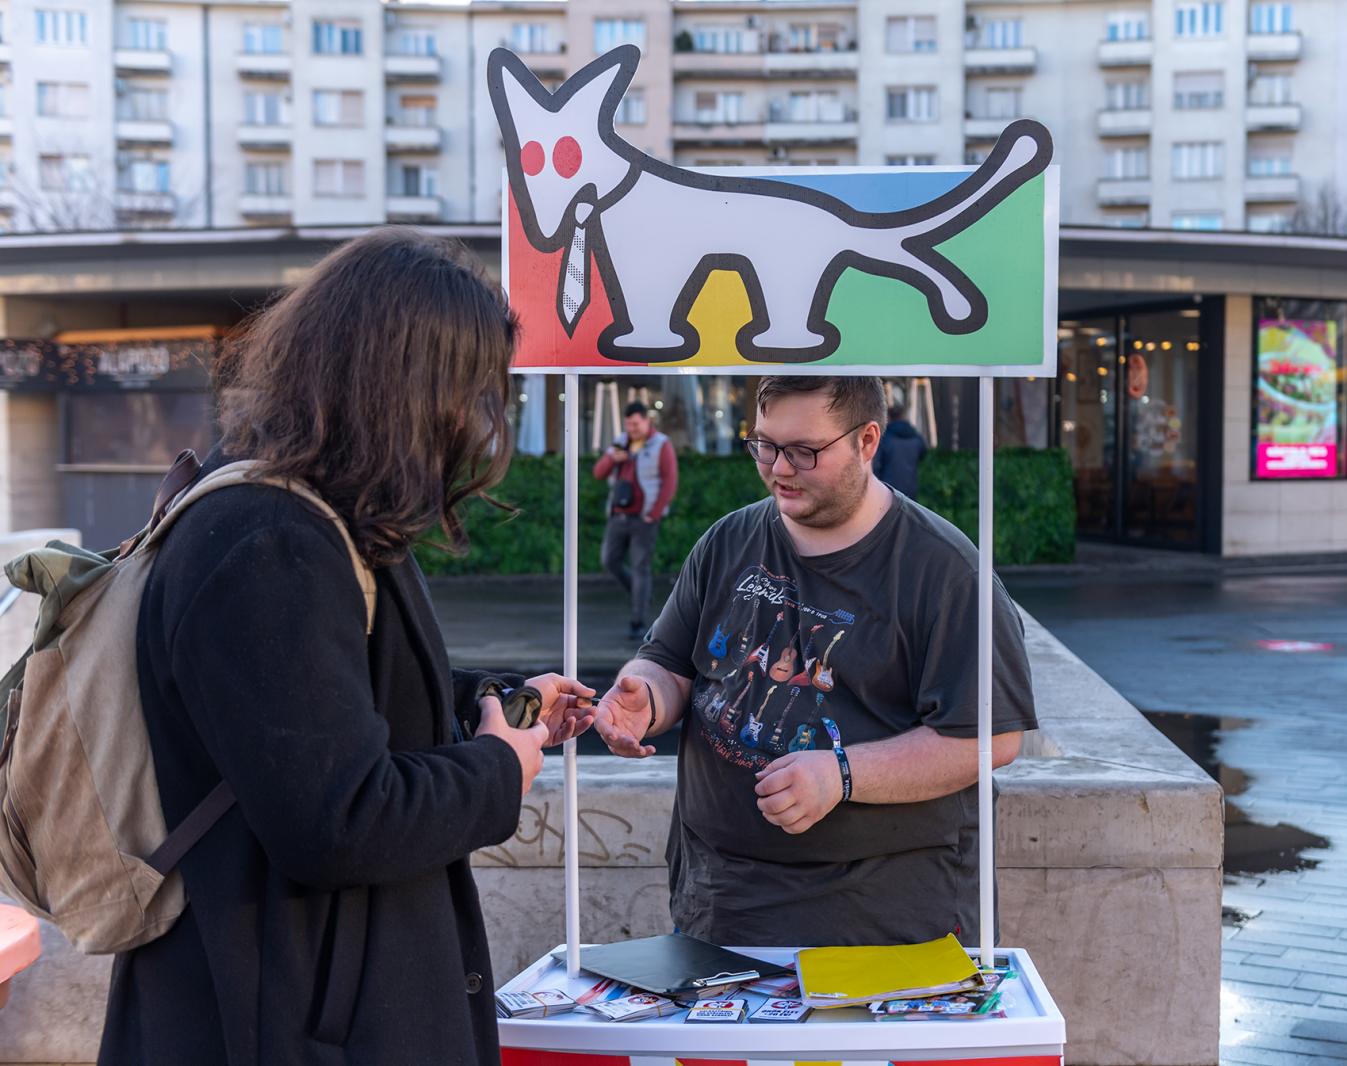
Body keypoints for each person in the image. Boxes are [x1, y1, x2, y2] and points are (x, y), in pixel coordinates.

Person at [100, 228, 595, 1066]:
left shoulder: (310, 512)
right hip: (276, 1017)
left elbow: (334, 699)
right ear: (404, 386)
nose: (477, 424)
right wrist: (498, 767)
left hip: (304, 1000)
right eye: (470, 392)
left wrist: (499, 703)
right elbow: (339, 821)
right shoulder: (264, 540)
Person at [580, 376, 1037, 947]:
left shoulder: (947, 574)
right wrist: (643, 700)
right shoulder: (727, 540)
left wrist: (841, 774)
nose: (779, 469)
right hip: (720, 898)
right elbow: (670, 663)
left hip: (883, 916)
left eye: (804, 451)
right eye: (765, 446)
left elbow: (990, 738)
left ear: (867, 441)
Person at [593, 401, 678, 640]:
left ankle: (637, 620)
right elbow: (599, 472)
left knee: (641, 567)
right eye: (628, 424)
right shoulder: (620, 442)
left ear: (646, 420)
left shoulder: (661, 444)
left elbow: (669, 480)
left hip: (644, 518)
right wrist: (612, 458)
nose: (631, 428)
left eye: (635, 423)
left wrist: (655, 513)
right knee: (609, 560)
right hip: (618, 515)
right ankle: (640, 594)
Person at [873, 402, 929, 500]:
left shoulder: (885, 439)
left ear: (888, 418)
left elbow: (876, 465)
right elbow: (923, 453)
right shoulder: (915, 438)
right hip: (910, 490)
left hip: (888, 491)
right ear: (904, 416)